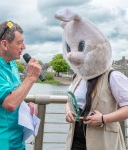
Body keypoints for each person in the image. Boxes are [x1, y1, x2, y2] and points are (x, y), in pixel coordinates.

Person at [55, 8, 128, 150]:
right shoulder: (79, 76)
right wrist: (68, 112)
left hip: (104, 143)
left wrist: (103, 119)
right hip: (75, 141)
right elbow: (69, 101)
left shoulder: (112, 76)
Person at [0, 21, 42, 150]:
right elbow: (10, 103)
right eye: (19, 43)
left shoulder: (12, 65)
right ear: (4, 44)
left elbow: (15, 96)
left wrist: (25, 106)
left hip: (17, 142)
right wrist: (30, 77)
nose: (23, 47)